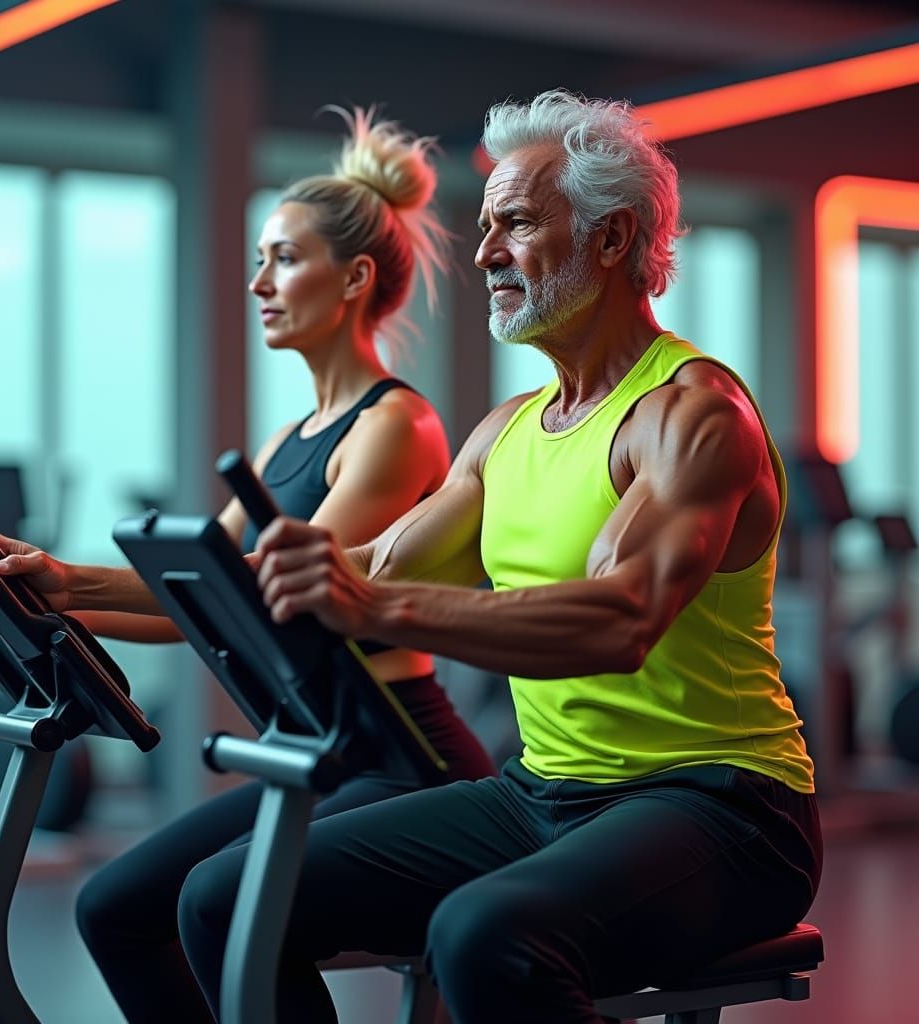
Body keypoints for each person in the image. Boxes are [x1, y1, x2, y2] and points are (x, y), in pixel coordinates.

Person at [174, 90, 823, 1024]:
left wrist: (370, 608)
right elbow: (367, 571)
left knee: (487, 936)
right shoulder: (506, 433)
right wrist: (66, 589)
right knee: (229, 897)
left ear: (610, 240)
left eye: (514, 224)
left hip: (725, 805)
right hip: (543, 791)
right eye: (484, 227)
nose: (482, 254)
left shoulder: (692, 414)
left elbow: (620, 620)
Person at [0, 107, 493, 1022]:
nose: (257, 282)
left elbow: (270, 604)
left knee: (218, 908)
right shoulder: (286, 441)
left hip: (400, 753)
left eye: (283, 259)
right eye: (261, 259)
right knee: (113, 908)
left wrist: (72, 587)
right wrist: (40, 599)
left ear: (353, 278)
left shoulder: (397, 426)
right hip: (317, 749)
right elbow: (195, 600)